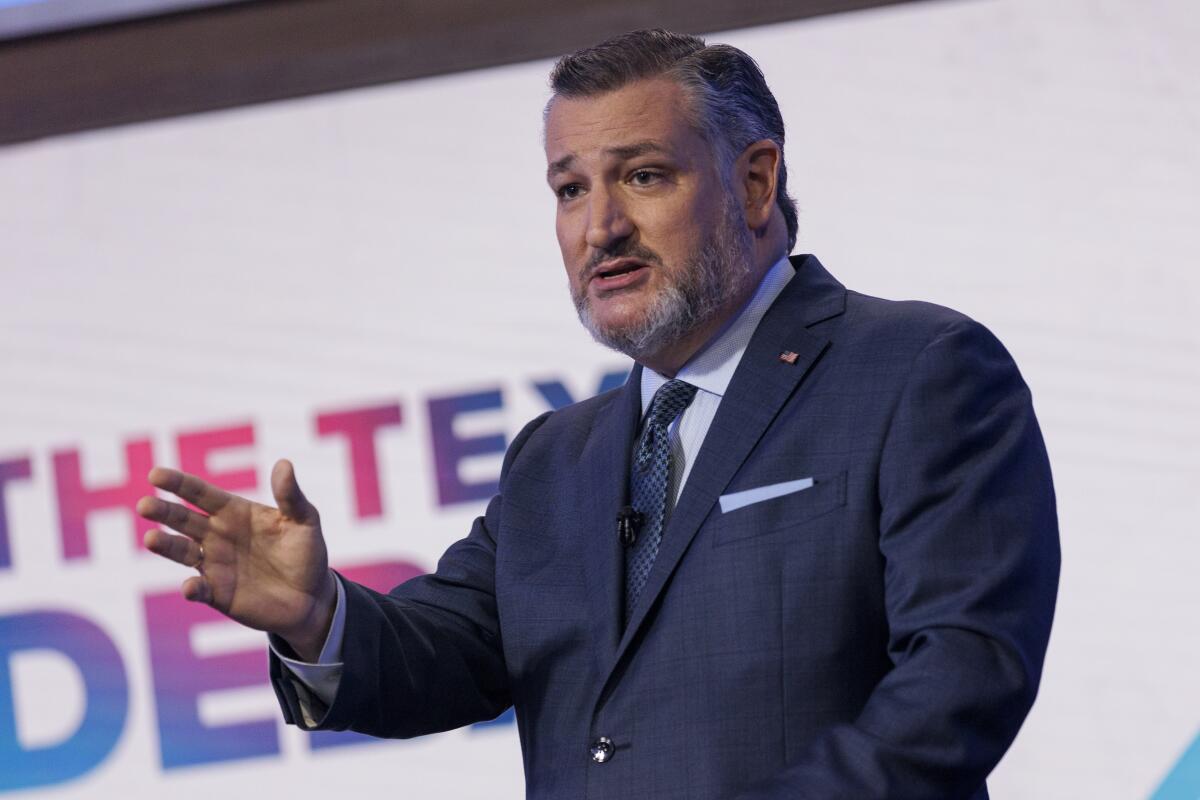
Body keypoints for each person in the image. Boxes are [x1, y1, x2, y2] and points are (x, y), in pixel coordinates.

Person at [137, 29, 1060, 799]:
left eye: (644, 176)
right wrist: (316, 615)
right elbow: (448, 651)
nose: (599, 226)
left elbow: (963, 675)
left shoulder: (914, 370)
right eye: (570, 189)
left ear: (754, 181)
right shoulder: (556, 459)